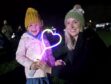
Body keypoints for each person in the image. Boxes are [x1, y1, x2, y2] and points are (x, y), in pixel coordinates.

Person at [38, 4, 107, 84]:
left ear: (81, 23)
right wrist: (64, 63)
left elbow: (78, 71)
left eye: (75, 22)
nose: (71, 26)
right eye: (68, 23)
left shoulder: (89, 40)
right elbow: (66, 57)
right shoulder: (73, 40)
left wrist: (50, 69)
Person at [16, 7, 56, 84]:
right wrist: (30, 64)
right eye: (30, 25)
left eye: (36, 24)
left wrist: (53, 64)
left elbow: (49, 53)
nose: (34, 27)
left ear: (41, 24)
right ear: (27, 27)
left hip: (45, 73)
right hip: (33, 76)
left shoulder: (44, 38)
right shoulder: (24, 39)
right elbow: (19, 56)